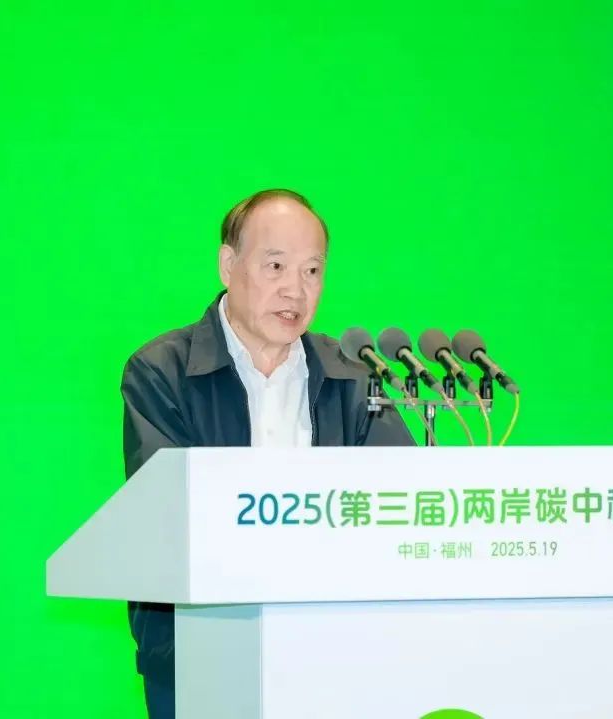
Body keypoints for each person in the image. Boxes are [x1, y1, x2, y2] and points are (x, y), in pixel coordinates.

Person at [119, 188, 415, 718]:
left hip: (333, 658)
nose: (295, 290)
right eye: (275, 266)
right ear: (228, 265)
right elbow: (166, 514)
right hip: (202, 657)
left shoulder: (352, 375)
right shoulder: (162, 371)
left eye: (312, 271)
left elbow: (404, 501)